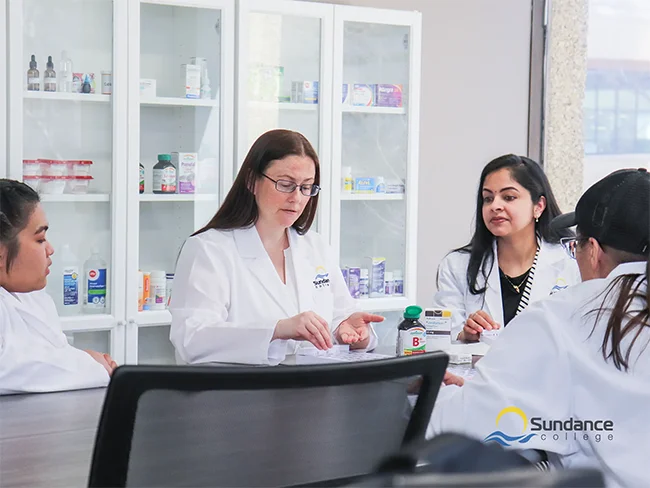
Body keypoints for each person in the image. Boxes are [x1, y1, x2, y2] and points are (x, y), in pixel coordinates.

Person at [428, 168, 650, 487]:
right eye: (488, 198)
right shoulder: (462, 263)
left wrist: (437, 391)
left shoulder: (564, 316)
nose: (496, 206)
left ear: (595, 251)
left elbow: (459, 427)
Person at [170, 129, 383, 365]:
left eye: (306, 187)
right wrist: (278, 330)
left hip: (311, 391)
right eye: (285, 184)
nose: (297, 198)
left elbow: (341, 318)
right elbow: (192, 339)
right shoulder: (208, 250)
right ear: (252, 181)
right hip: (236, 395)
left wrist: (352, 333)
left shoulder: (315, 246)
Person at [432, 154, 580, 342]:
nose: (495, 206)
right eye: (487, 198)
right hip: (478, 370)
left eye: (509, 197)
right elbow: (443, 337)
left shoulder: (571, 260)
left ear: (539, 206)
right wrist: (465, 335)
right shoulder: (457, 265)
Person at [0, 179, 117, 395]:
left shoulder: (34, 297)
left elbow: (50, 357)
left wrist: (85, 362)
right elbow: (12, 368)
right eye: (40, 239)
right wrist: (92, 365)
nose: (50, 249)